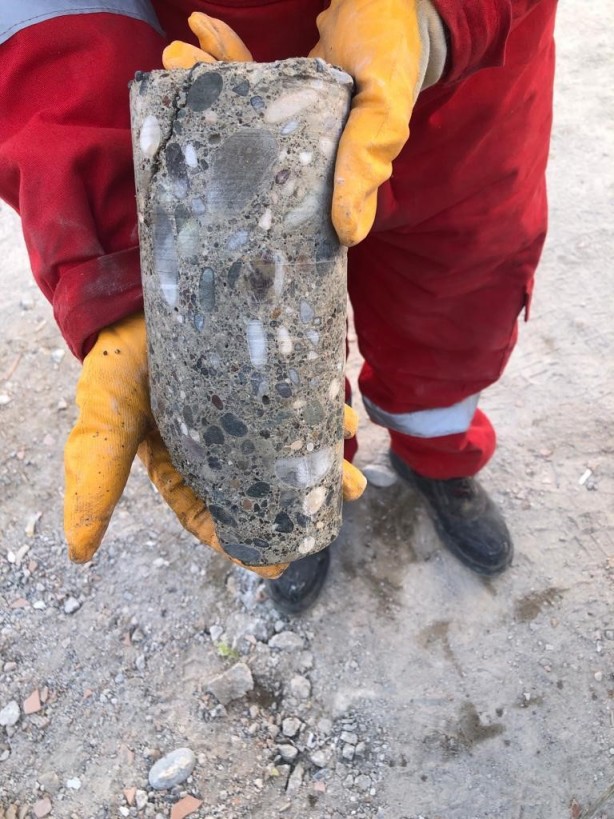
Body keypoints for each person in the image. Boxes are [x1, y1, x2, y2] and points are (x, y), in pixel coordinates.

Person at [0, 0, 556, 613]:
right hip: (227, 115)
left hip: (461, 102)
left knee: (457, 314)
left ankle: (440, 457)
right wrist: (138, 265)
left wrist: (434, 14)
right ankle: (300, 489)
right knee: (271, 354)